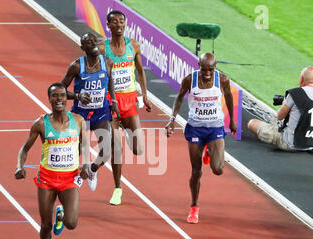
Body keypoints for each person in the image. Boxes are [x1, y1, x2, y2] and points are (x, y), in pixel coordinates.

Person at [15, 83, 89, 239]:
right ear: (49, 99)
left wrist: (86, 165)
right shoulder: (40, 123)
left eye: (62, 95)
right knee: (46, 224)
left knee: (71, 223)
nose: (59, 100)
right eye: (55, 96)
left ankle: (62, 215)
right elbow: (24, 149)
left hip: (69, 178)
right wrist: (19, 167)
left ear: (67, 98)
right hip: (47, 179)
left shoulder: (79, 121)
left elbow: (85, 147)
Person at [166, 52, 237, 224]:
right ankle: (194, 206)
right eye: (203, 69)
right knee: (196, 171)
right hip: (196, 129)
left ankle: (210, 151)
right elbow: (179, 98)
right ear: (198, 65)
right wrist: (172, 119)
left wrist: (232, 120)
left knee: (218, 169)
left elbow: (228, 96)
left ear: (215, 68)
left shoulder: (223, 80)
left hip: (215, 128)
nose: (206, 73)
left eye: (210, 70)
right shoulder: (190, 79)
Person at [98, 10, 152, 205]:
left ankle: (125, 130)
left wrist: (144, 95)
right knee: (116, 148)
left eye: (122, 21)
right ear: (108, 25)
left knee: (137, 149)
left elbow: (140, 70)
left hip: (129, 102)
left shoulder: (134, 46)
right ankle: (117, 188)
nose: (119, 24)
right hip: (110, 103)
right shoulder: (102, 48)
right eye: (115, 22)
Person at [61, 32, 120, 192]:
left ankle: (92, 170)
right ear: (82, 47)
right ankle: (67, 179)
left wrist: (113, 101)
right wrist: (77, 96)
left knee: (107, 150)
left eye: (94, 40)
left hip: (101, 111)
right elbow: (61, 90)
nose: (93, 43)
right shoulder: (76, 66)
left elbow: (110, 82)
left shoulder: (107, 62)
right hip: (80, 113)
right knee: (76, 149)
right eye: (88, 42)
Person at [247, 66, 313, 151]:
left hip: (290, 144)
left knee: (252, 123)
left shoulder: (295, 94)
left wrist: (284, 104)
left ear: (301, 79)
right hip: (310, 144)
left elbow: (280, 116)